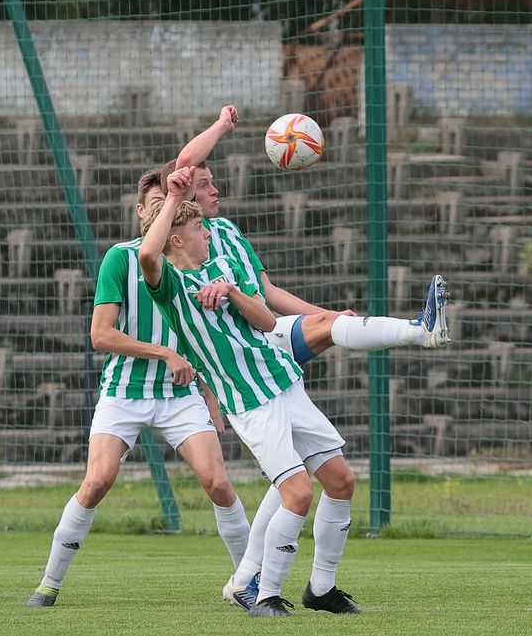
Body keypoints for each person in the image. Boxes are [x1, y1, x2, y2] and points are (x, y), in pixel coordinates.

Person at [159, 106, 449, 612]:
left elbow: (267, 294)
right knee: (293, 488)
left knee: (339, 477)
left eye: (211, 183)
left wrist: (325, 312)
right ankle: (260, 588)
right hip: (248, 377)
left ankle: (317, 588)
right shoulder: (170, 255)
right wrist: (223, 129)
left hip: (270, 355)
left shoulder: (224, 233)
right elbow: (182, 164)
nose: (214, 189)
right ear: (181, 196)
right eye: (204, 184)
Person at [26, 170, 251, 608]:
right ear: (141, 211)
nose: (160, 210)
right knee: (97, 482)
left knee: (218, 484)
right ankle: (48, 584)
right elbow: (101, 336)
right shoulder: (120, 259)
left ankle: (250, 586)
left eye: (170, 201)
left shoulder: (198, 263)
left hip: (179, 396)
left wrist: (210, 394)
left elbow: (202, 339)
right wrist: (163, 353)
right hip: (124, 391)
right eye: (154, 203)